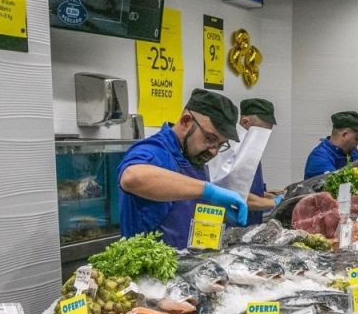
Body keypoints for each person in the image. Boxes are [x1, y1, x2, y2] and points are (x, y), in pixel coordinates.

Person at [118, 89, 248, 248]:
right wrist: (209, 191)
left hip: (189, 264)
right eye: (210, 138)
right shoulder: (156, 151)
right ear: (186, 121)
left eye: (220, 144)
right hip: (150, 269)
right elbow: (132, 177)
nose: (213, 150)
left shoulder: (192, 157)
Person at [237, 98, 279, 225]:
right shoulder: (231, 150)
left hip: (252, 225)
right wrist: (276, 203)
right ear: (245, 122)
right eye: (261, 133)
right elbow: (238, 196)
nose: (264, 140)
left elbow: (250, 189)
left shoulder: (251, 150)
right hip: (232, 229)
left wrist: (267, 195)